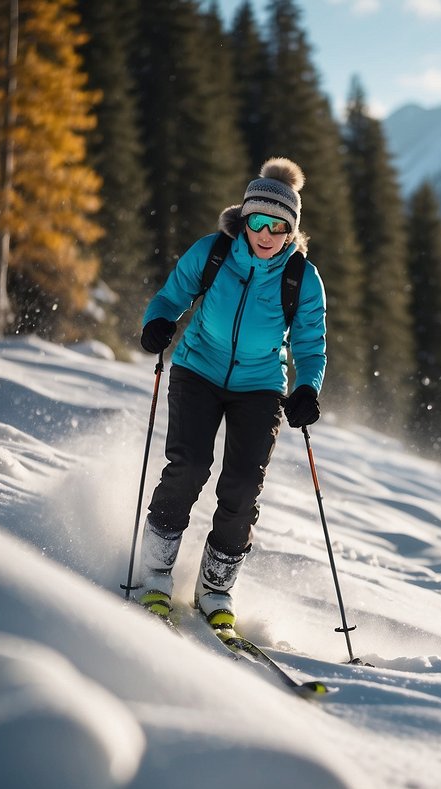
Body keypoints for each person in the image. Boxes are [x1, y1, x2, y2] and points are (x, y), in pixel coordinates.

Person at [135, 157, 326, 629]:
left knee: (241, 488)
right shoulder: (212, 253)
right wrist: (157, 322)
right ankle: (154, 573)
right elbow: (171, 296)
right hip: (198, 369)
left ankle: (215, 588)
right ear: (244, 218)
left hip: (260, 387)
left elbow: (309, 341)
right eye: (257, 221)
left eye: (278, 225)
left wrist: (306, 388)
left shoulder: (301, 278)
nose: (265, 233)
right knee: (189, 467)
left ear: (291, 231)